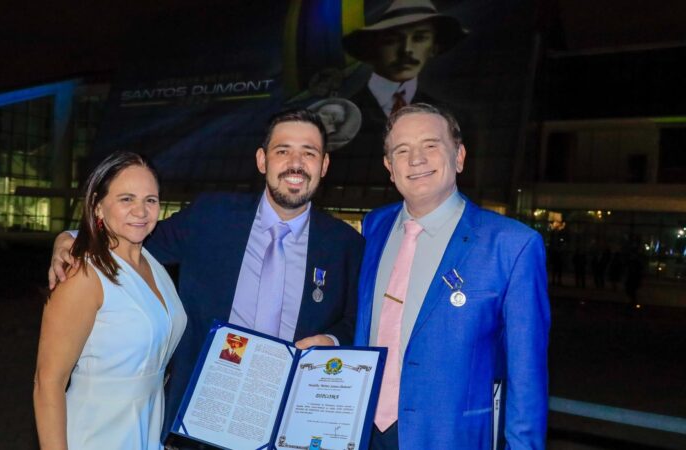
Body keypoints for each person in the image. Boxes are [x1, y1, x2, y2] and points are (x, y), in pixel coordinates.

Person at [48, 109, 364, 444]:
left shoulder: (345, 244)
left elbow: (353, 319)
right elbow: (133, 237)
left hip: (291, 421)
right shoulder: (210, 217)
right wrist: (70, 238)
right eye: (283, 151)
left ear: (324, 165)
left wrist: (330, 341)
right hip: (201, 417)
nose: (295, 163)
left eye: (309, 153)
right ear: (262, 160)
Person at [355, 103, 550, 449]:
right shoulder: (374, 226)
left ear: (459, 156)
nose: (416, 159)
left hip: (449, 437)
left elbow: (527, 375)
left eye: (430, 145)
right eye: (402, 150)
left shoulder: (512, 246)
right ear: (389, 167)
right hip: (360, 429)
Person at [34, 152, 187, 450]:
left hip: (145, 430)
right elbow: (47, 382)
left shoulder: (153, 264)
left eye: (150, 200)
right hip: (95, 433)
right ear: (98, 207)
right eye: (126, 199)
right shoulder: (83, 274)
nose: (141, 211)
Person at [342, 0, 467, 162]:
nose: (406, 50)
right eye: (392, 39)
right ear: (372, 47)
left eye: (419, 38)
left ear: (434, 47)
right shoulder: (340, 119)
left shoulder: (455, 119)